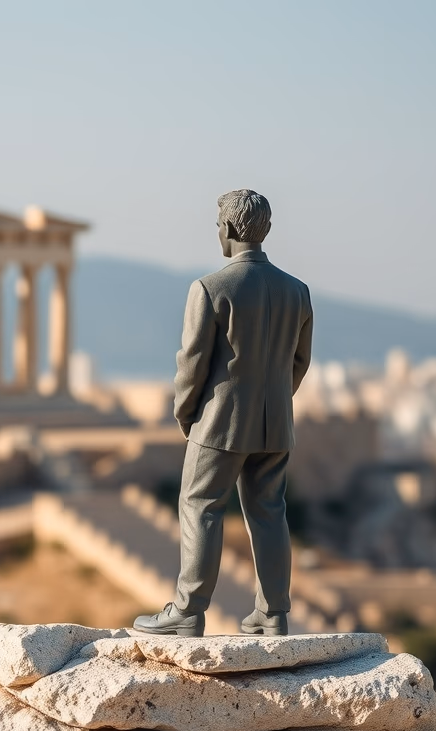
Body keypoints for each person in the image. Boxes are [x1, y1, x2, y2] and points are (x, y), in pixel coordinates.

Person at [133, 189, 313, 637]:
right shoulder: (298, 291)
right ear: (264, 231)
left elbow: (191, 363)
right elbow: (299, 362)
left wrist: (186, 413)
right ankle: (273, 614)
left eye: (218, 225)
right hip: (276, 425)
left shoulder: (210, 288)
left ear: (230, 229)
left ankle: (188, 610)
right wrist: (275, 402)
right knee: (269, 513)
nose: (218, 232)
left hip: (220, 421)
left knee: (200, 506)